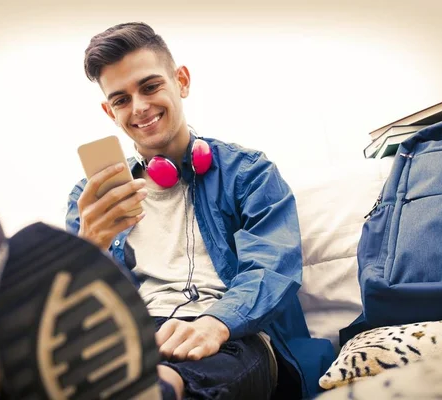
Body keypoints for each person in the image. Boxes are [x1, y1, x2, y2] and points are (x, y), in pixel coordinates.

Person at [65, 21, 335, 399]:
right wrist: (87, 249)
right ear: (110, 112)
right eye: (121, 99)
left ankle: (159, 388)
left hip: (233, 335)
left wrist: (216, 322)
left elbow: (273, 267)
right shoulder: (91, 199)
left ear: (182, 81)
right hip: (139, 339)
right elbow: (80, 314)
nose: (139, 107)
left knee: (201, 369)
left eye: (150, 86)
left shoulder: (249, 173)